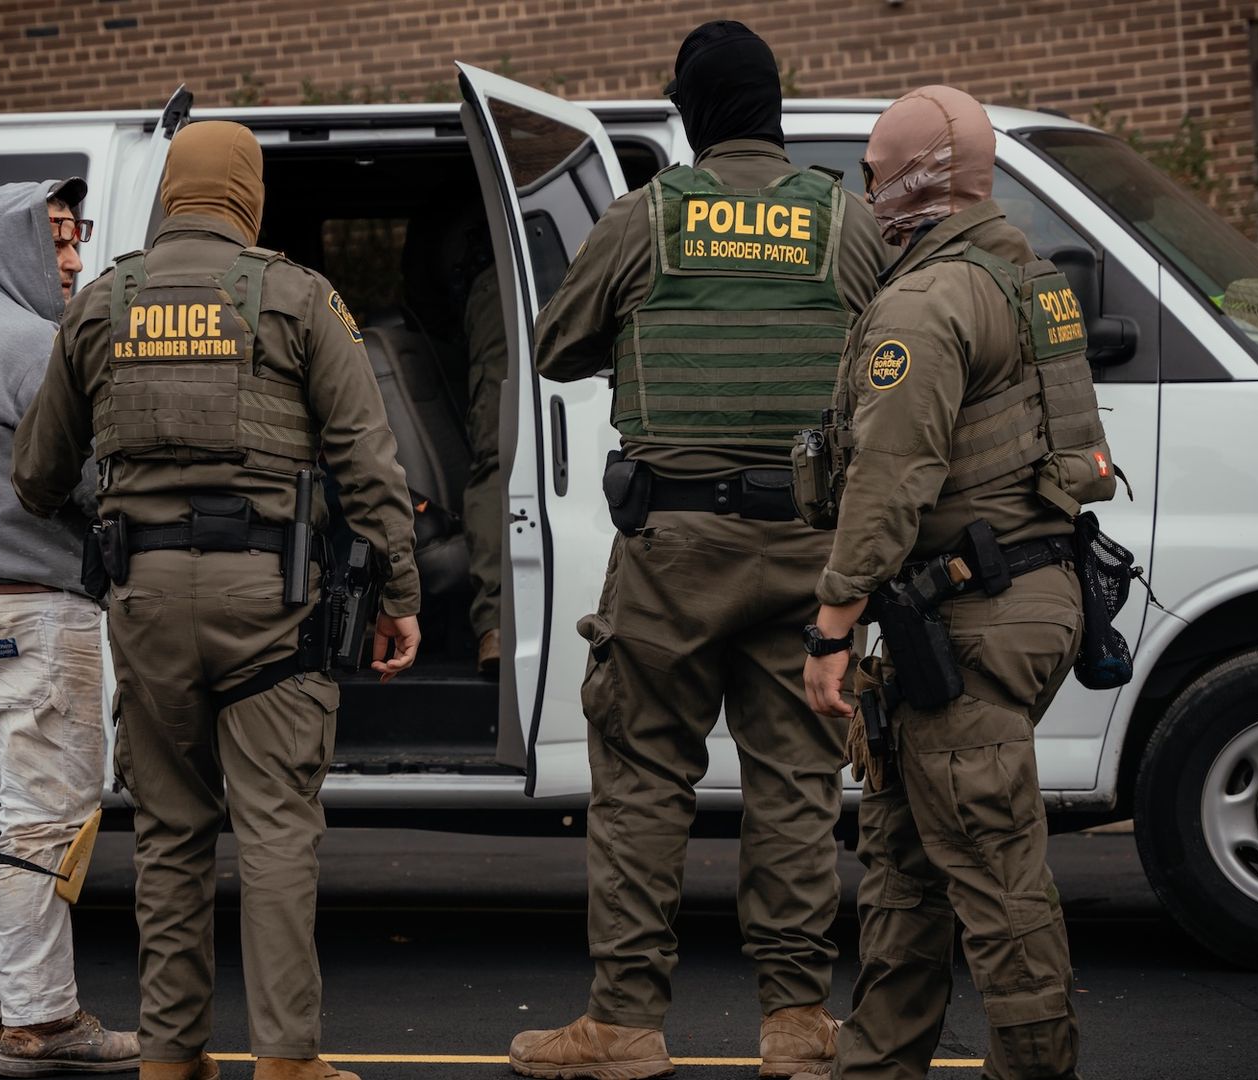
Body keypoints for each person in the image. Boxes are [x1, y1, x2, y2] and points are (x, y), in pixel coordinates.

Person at [508, 21, 886, 1080]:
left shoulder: (647, 220)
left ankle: (625, 1027)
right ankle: (798, 1026)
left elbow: (554, 344)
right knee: (799, 787)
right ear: (774, 105)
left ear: (690, 112)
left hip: (672, 549)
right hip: (809, 545)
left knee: (639, 783)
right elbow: (894, 355)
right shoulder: (845, 223)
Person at [11, 121, 423, 1080]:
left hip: (144, 599)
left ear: (169, 192)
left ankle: (170, 1057)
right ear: (249, 195)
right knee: (277, 830)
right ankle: (285, 1060)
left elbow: (35, 474)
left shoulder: (103, 301)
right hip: (269, 604)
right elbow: (369, 462)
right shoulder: (297, 296)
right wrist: (399, 592)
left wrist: (120, 518)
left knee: (169, 836)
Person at [800, 87, 1110, 1080]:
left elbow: (889, 486)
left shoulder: (927, 303)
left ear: (919, 183)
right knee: (905, 861)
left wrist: (831, 628)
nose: (868, 193)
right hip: (1026, 595)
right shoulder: (1029, 278)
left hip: (972, 617)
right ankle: (877, 1064)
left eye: (875, 176)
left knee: (990, 873)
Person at [0, 177, 141, 1076]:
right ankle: (43, 1024)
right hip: (34, 610)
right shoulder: (25, 344)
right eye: (55, 242)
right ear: (10, 245)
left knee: (14, 815)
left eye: (75, 238)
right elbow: (83, 479)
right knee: (51, 816)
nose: (74, 260)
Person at [460, 254, 507, 675]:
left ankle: (497, 625)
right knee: (499, 464)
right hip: (518, 270)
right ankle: (496, 626)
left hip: (502, 275)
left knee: (497, 463)